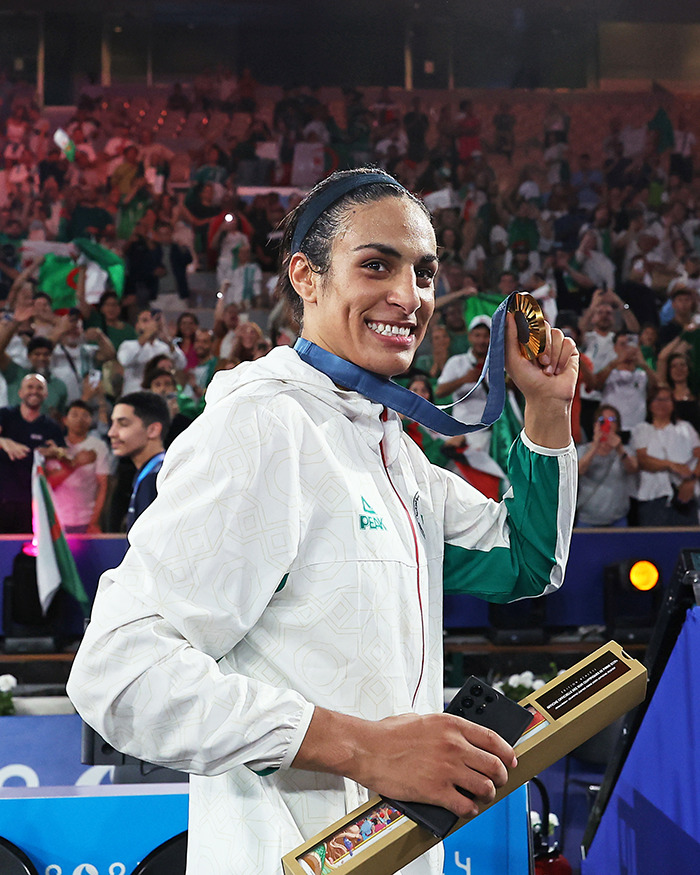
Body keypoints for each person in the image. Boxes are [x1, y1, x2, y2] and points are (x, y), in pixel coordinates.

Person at [67, 168, 578, 875]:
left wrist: (547, 409)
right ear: (306, 277)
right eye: (377, 264)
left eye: (425, 272)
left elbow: (528, 560)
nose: (410, 296)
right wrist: (365, 747)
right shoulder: (261, 427)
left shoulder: (391, 452)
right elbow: (117, 674)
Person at [0, 373, 65, 533]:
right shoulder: (5, 416)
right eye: (30, 387)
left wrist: (55, 452)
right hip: (3, 497)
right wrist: (4, 442)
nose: (34, 391)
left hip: (34, 501)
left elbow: (66, 454)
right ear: (20, 392)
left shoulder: (51, 426)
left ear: (46, 394)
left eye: (39, 388)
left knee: (29, 550)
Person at [632, 384, 700, 527]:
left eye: (666, 400)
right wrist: (672, 465)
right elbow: (644, 461)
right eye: (657, 400)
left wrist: (691, 480)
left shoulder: (685, 428)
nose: (662, 404)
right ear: (650, 404)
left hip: (685, 497)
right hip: (653, 498)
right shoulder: (642, 429)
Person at [107, 390, 169, 533]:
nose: (111, 433)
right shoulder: (151, 472)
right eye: (112, 423)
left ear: (153, 430)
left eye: (123, 424)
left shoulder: (156, 477)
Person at [46, 399, 110, 534]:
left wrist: (94, 521)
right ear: (65, 420)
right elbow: (49, 482)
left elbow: (103, 486)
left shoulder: (98, 446)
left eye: (85, 415)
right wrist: (76, 463)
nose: (80, 419)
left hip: (86, 520)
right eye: (74, 415)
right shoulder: (53, 446)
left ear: (91, 420)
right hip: (57, 520)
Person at [576, 404, 638, 527]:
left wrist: (619, 449)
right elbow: (578, 471)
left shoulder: (626, 450)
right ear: (595, 425)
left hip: (617, 520)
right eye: (602, 420)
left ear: (618, 426)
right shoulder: (583, 450)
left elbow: (633, 469)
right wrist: (594, 447)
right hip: (587, 520)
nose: (607, 424)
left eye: (612, 420)